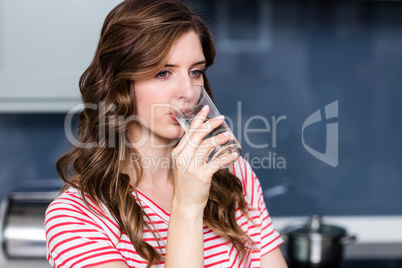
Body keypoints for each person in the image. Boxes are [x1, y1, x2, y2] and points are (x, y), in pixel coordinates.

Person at [45, 0, 288, 267]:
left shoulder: (234, 174)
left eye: (195, 71)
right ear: (120, 83)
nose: (188, 90)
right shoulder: (76, 218)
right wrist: (187, 206)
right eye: (163, 73)